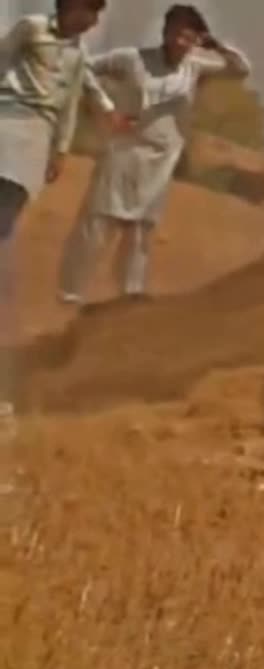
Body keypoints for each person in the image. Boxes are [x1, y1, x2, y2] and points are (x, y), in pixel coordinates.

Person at [56, 3, 250, 306]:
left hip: (162, 158)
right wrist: (106, 108)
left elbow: (240, 70)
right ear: (165, 31)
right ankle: (71, 290)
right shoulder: (133, 59)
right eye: (176, 33)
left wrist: (217, 46)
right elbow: (84, 68)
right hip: (123, 149)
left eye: (188, 37)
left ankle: (129, 294)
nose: (180, 42)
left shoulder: (196, 66)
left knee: (141, 230)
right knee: (98, 221)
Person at [0, 0, 122, 427]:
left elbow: (69, 104)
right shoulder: (31, 29)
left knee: (6, 224)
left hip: (35, 139)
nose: (94, 21)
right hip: (6, 118)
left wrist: (61, 150)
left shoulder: (77, 54)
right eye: (90, 11)